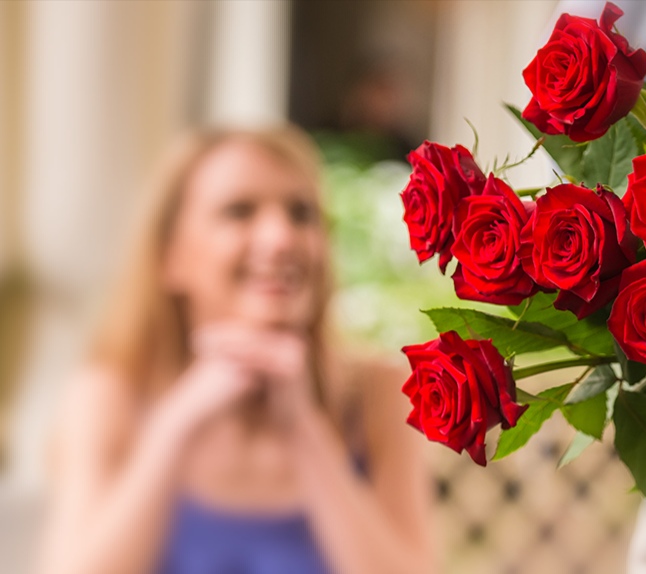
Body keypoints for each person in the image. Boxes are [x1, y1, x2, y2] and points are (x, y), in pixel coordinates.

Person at [35, 125, 435, 574]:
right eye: (239, 211)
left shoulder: (378, 394)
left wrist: (304, 428)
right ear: (171, 255)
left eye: (301, 213)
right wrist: (174, 425)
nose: (282, 238)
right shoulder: (110, 394)